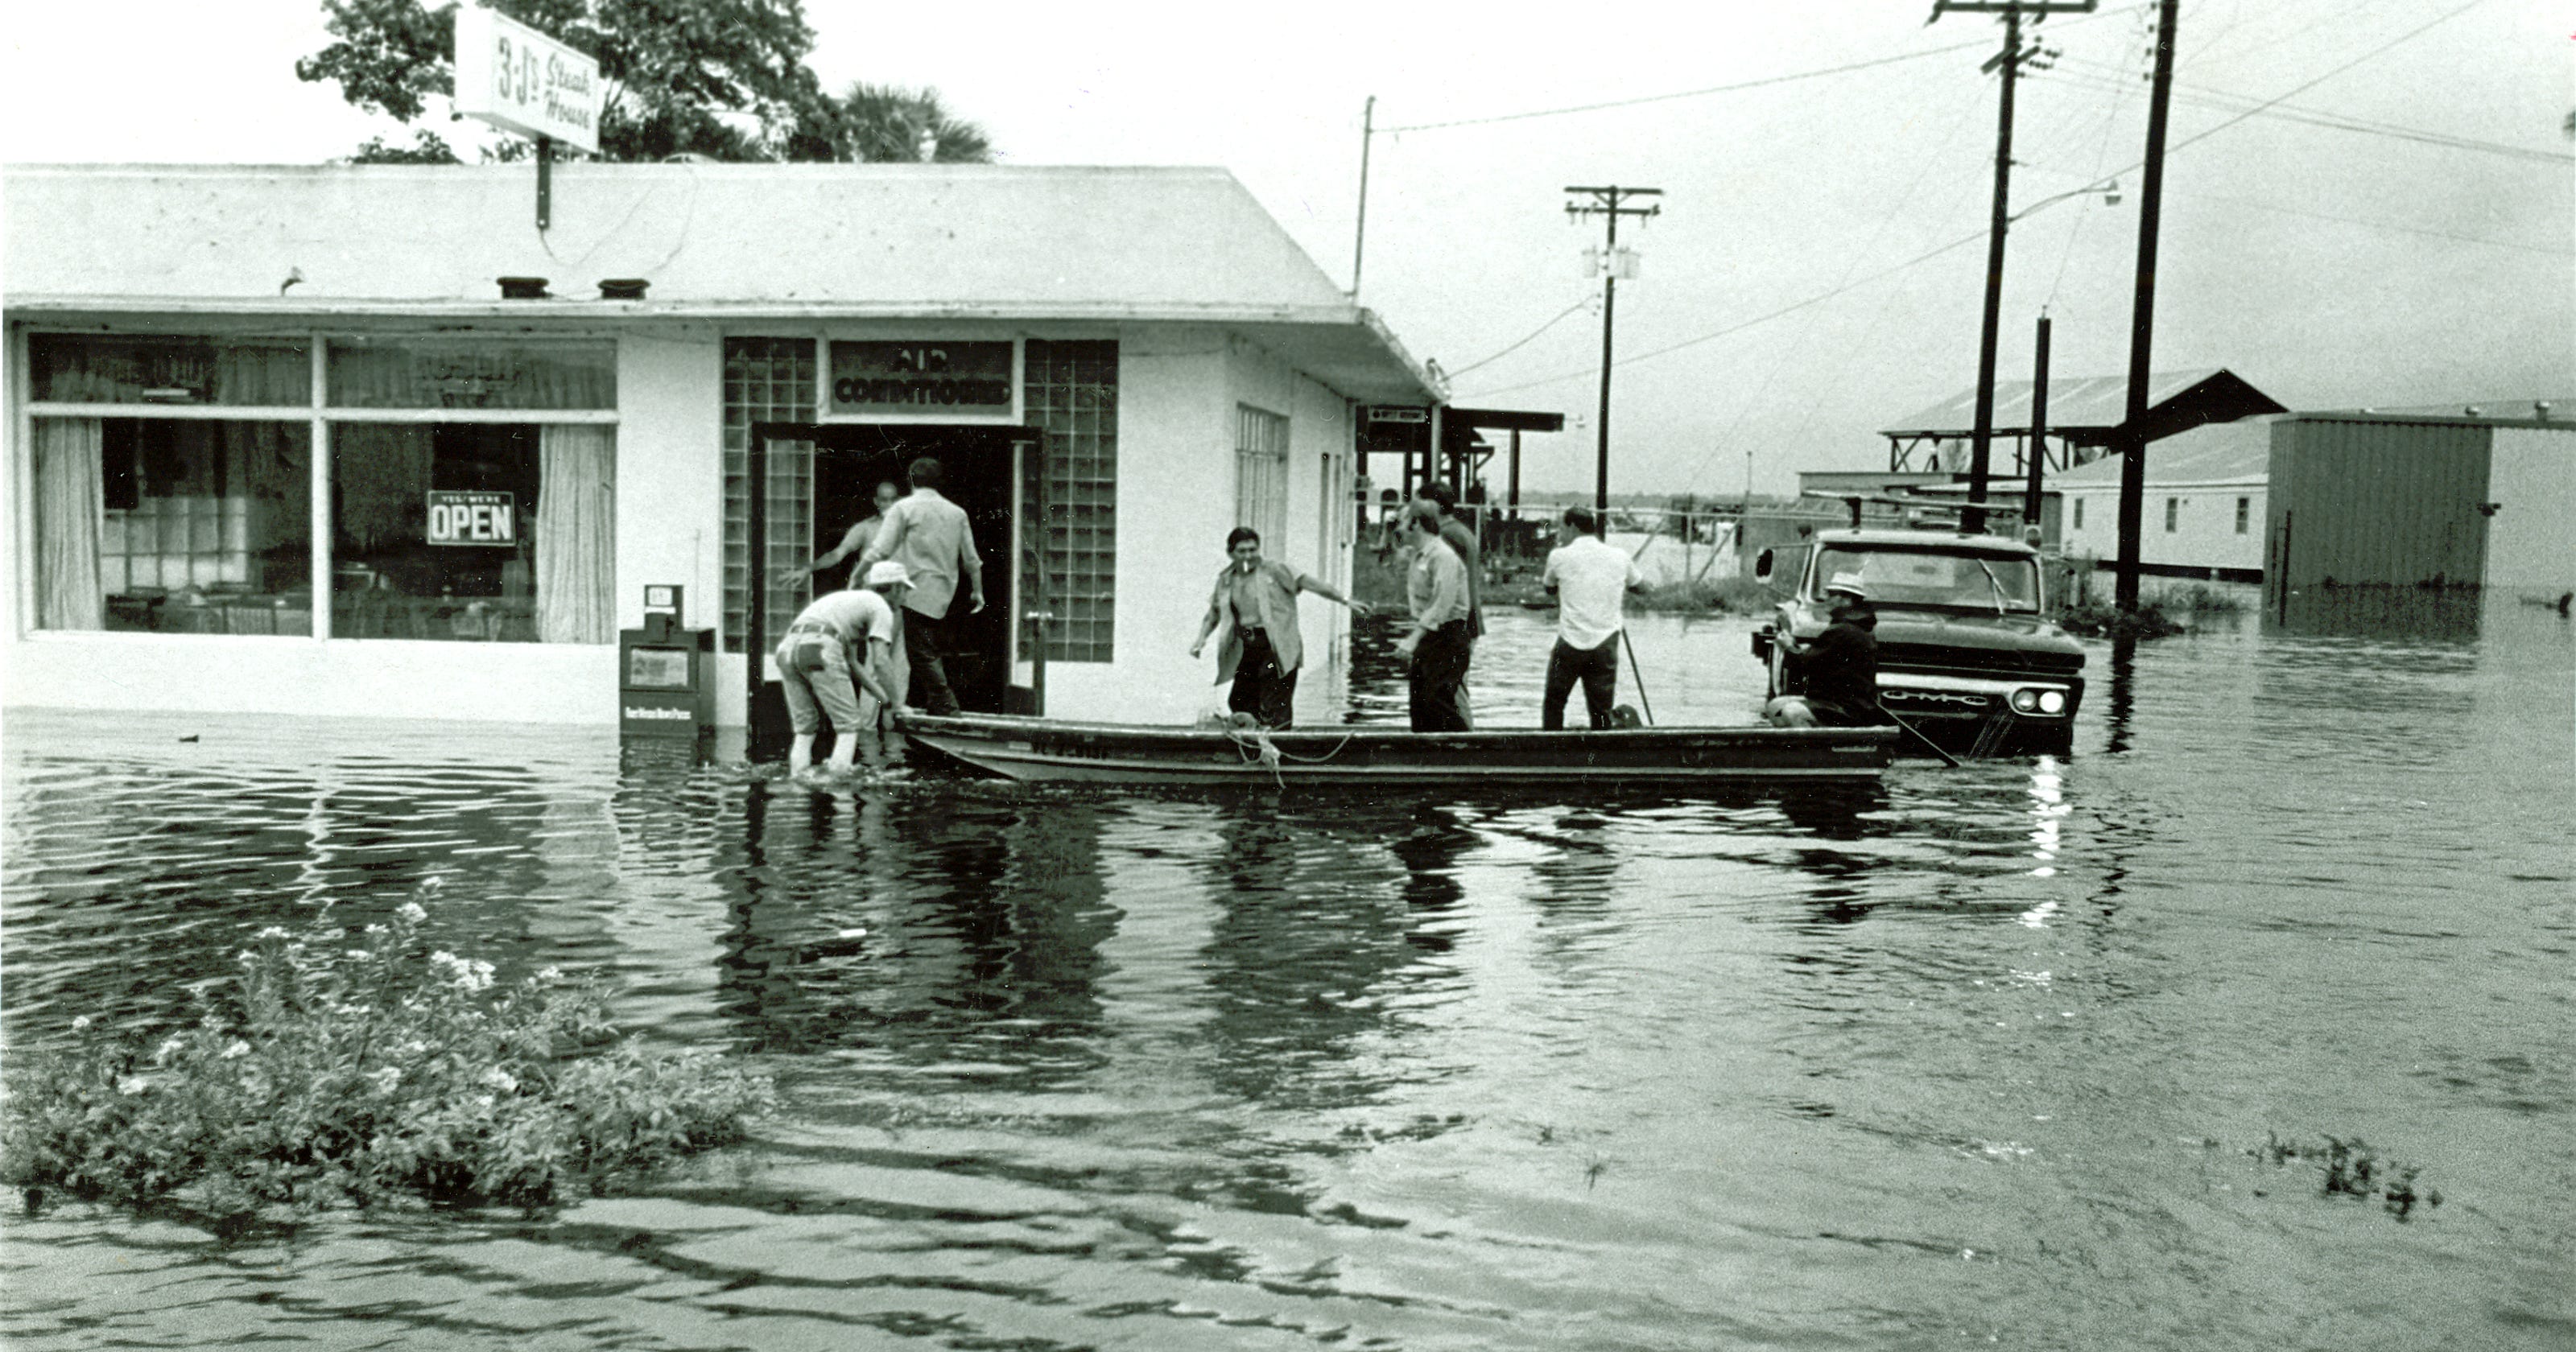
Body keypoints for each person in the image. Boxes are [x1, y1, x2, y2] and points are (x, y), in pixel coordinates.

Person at [1190, 526, 1369, 728]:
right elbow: (1214, 613)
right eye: (1242, 551)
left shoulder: (1276, 570)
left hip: (1276, 646)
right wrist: (1200, 640)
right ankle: (1254, 750)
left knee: (1274, 704)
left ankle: (1281, 750)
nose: (1249, 555)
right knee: (1240, 702)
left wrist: (1345, 600)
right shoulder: (1226, 580)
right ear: (1230, 553)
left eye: (1253, 550)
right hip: (1246, 646)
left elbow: (1312, 584)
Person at [857, 456, 984, 717]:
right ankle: (937, 703)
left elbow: (879, 549)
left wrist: (857, 577)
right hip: (943, 593)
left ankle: (945, 703)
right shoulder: (957, 513)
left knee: (917, 652)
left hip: (910, 591)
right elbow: (971, 559)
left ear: (911, 481)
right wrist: (977, 590)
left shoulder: (904, 508)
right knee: (923, 650)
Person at [776, 561, 907, 778]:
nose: (905, 597)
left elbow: (853, 664)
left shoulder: (850, 601)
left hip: (787, 650)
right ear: (894, 588)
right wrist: (899, 704)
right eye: (904, 590)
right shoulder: (881, 607)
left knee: (805, 728)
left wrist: (885, 701)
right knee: (848, 726)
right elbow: (881, 661)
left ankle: (797, 779)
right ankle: (840, 792)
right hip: (820, 647)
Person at [1540, 505, 1645, 730]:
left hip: (1570, 641)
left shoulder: (1559, 556)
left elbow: (1549, 588)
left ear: (1572, 527)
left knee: (1554, 702)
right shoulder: (1619, 556)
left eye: (1562, 527)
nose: (1560, 532)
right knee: (1601, 709)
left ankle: (1549, 750)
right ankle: (1601, 754)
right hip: (1605, 643)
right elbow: (1640, 587)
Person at [1763, 574, 1880, 728]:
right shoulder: (1855, 626)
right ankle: (1795, 746)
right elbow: (1820, 659)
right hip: (1843, 702)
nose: (1826, 599)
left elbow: (1804, 664)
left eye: (1831, 594)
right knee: (1775, 706)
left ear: (1847, 599)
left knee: (1792, 712)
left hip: (1850, 708)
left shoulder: (1844, 630)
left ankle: (1814, 749)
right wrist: (1801, 650)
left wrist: (1787, 646)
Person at [1410, 483, 1483, 728]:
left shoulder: (1447, 536)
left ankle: (1465, 748)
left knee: (1449, 694)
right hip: (1463, 618)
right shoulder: (1460, 531)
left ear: (1435, 506)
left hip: (1453, 621)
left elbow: (1446, 589)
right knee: (1451, 689)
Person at [1397, 508, 1473, 732]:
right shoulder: (1420, 554)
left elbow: (1443, 602)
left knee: (1439, 702)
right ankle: (1424, 758)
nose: (1397, 526)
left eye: (1402, 520)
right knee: (1420, 704)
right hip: (1431, 636)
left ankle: (1464, 757)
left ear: (1416, 524)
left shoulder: (1443, 556)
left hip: (1448, 636)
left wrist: (1413, 639)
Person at [778, 479, 902, 590]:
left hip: (898, 597)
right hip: (869, 594)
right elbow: (836, 554)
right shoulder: (864, 528)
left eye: (894, 499)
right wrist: (808, 569)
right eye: (885, 500)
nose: (890, 505)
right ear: (876, 501)